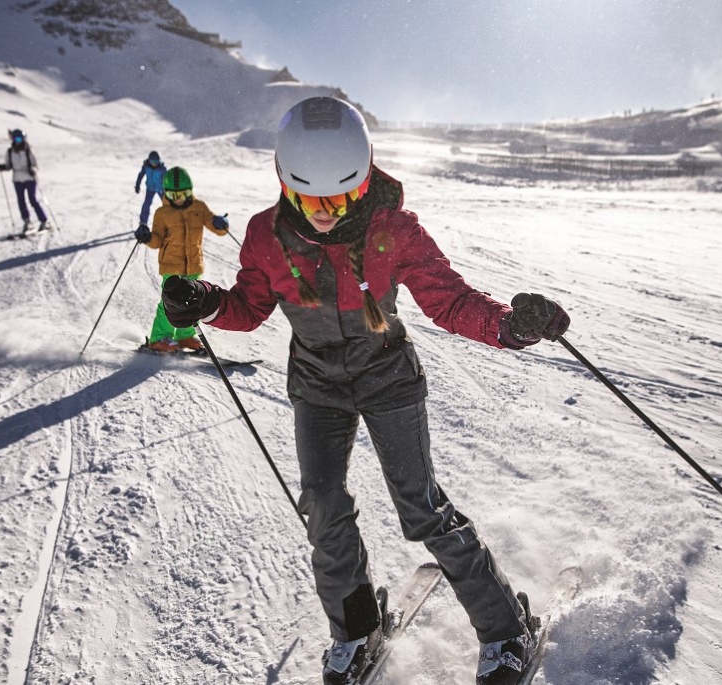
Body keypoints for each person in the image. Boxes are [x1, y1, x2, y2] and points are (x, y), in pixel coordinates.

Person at [159, 97, 570, 685]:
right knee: (323, 504)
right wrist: (206, 304)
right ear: (285, 184)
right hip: (318, 383)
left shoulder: (394, 229)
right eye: (310, 199)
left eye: (341, 198)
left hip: (387, 376)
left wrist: (509, 325)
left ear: (365, 180)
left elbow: (449, 300)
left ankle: (506, 630)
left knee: (421, 509)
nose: (325, 214)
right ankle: (356, 627)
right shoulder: (264, 235)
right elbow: (248, 308)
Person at [134, 166, 230, 354]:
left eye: (184, 193)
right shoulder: (162, 213)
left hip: (193, 265)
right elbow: (157, 240)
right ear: (166, 193)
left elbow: (215, 226)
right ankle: (159, 338)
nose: (178, 198)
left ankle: (184, 336)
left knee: (193, 303)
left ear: (190, 191)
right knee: (169, 304)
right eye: (173, 194)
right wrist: (146, 237)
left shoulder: (199, 207)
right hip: (171, 265)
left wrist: (221, 224)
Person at [0, 128, 48, 233]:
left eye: (20, 138)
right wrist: (3, 167)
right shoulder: (10, 151)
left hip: (29, 178)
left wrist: (33, 170)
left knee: (32, 199)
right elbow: (8, 165)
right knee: (21, 201)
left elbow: (34, 164)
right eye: (16, 139)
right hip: (17, 179)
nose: (18, 141)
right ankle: (27, 221)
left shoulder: (28, 150)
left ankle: (43, 220)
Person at [135, 150, 168, 230]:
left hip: (161, 189)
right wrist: (137, 185)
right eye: (152, 161)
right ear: (149, 160)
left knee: (167, 205)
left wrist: (168, 189)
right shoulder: (146, 166)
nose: (154, 163)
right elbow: (141, 175)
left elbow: (167, 180)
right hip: (150, 188)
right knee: (147, 203)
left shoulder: (162, 169)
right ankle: (143, 222)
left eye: (156, 161)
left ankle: (169, 222)